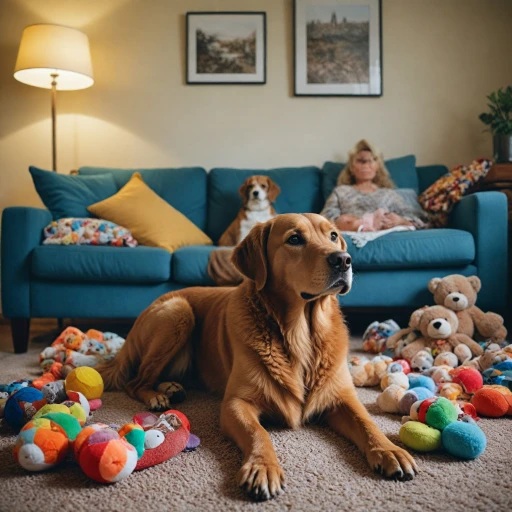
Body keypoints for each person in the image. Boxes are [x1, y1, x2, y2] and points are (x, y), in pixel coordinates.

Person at [321, 140, 429, 232]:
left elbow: (417, 218)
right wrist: (351, 223)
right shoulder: (341, 191)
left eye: (372, 160)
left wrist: (401, 221)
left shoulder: (388, 193)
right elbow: (325, 218)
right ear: (351, 168)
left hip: (384, 234)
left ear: (377, 167)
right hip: (352, 232)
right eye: (361, 161)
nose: (366, 165)